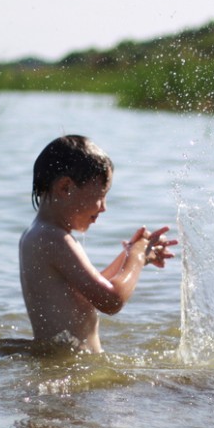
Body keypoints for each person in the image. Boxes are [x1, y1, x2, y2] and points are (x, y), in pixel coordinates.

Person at [19, 135, 176, 353]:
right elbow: (111, 300)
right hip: (71, 367)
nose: (104, 207)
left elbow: (87, 293)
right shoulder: (54, 238)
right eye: (101, 195)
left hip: (63, 361)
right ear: (65, 187)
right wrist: (137, 257)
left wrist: (129, 255)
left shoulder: (40, 234)